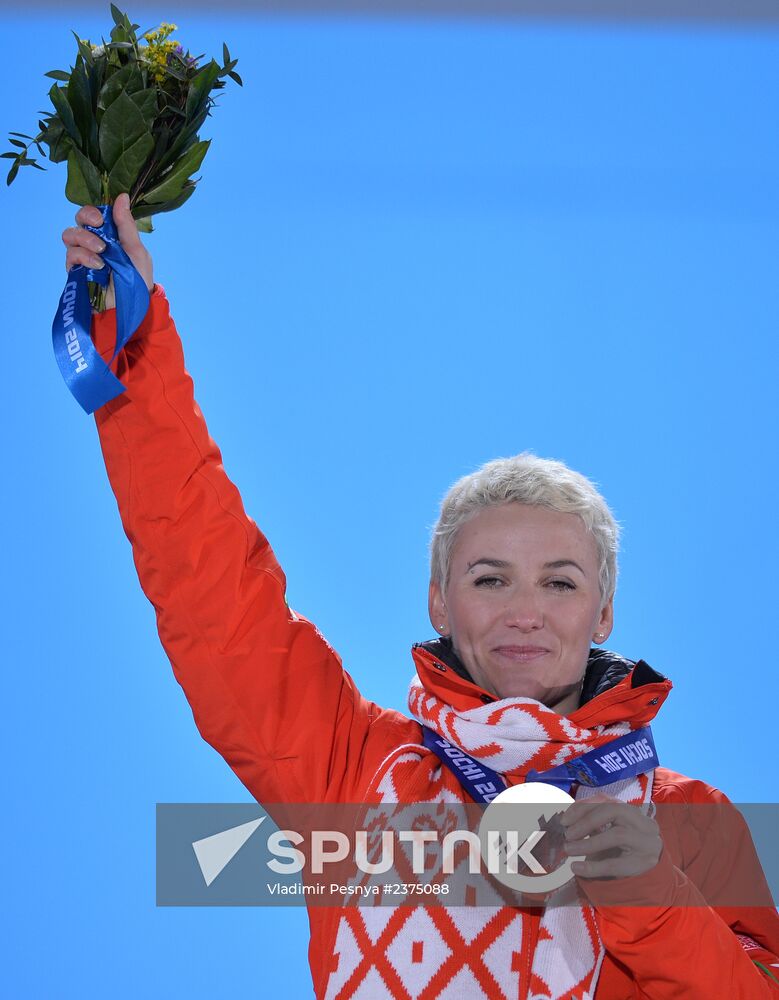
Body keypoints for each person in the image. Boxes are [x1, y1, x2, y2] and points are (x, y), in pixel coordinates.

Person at [63, 195, 779, 999]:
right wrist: (134, 351)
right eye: (489, 579)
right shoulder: (353, 770)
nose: (523, 611)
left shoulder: (685, 819)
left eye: (559, 582)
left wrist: (656, 904)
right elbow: (209, 588)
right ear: (438, 603)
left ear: (603, 613)